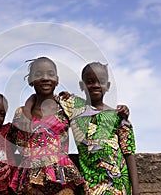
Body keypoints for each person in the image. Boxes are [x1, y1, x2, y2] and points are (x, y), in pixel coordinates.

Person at [59, 62, 139, 194]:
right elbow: (46, 96)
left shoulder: (118, 115)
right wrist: (28, 105)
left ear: (107, 86)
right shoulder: (73, 107)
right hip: (91, 185)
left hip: (118, 186)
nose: (95, 85)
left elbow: (129, 154)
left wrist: (136, 192)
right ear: (82, 85)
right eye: (90, 81)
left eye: (100, 81)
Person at [10, 57, 83, 195]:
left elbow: (92, 113)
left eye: (50, 74)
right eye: (38, 74)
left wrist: (119, 111)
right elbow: (15, 145)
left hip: (61, 178)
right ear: (30, 80)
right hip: (31, 181)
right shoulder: (22, 114)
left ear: (57, 80)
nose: (45, 78)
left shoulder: (65, 107)